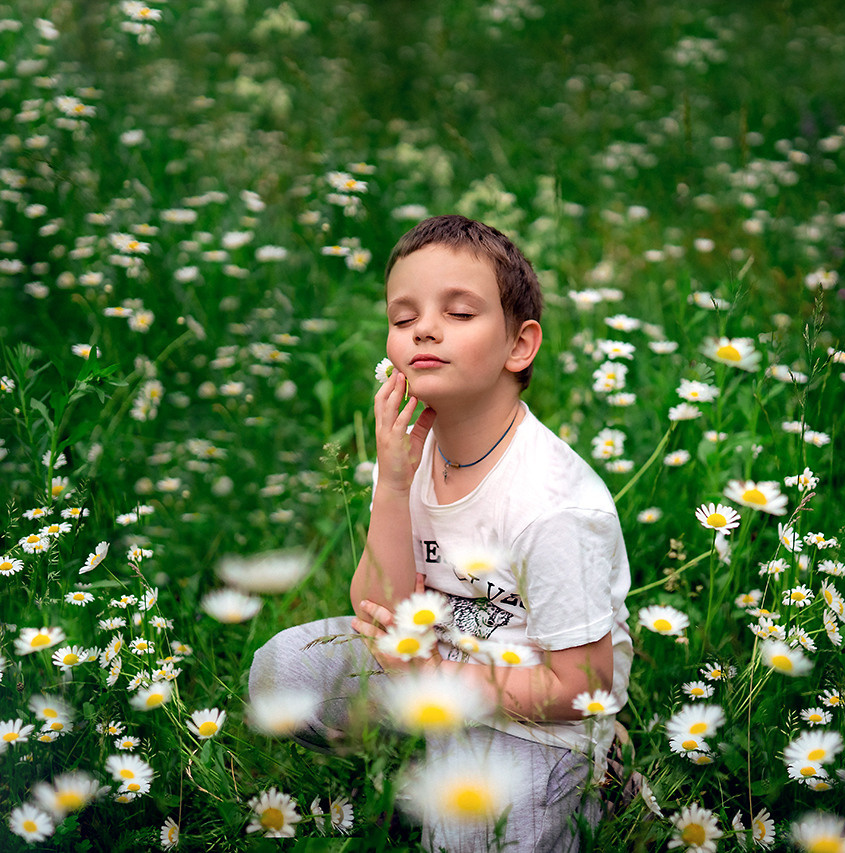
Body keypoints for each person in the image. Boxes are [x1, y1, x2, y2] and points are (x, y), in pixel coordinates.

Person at [249, 214, 632, 852]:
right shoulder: (411, 452)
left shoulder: (553, 506)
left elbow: (581, 687)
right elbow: (380, 610)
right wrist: (394, 488)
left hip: (531, 721)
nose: (423, 328)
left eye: (459, 313)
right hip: (425, 673)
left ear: (519, 345)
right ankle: (422, 762)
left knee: (469, 840)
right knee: (282, 672)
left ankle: (597, 781)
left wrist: (437, 676)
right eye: (403, 318)